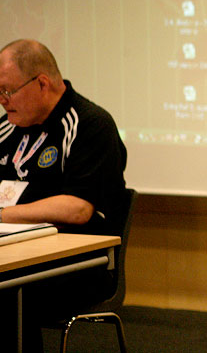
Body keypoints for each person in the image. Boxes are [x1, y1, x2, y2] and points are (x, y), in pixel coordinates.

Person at [0, 39, 128, 351]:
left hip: (79, 265)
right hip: (14, 250)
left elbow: (78, 208)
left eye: (8, 91)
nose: (3, 101)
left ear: (41, 83)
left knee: (7, 293)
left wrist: (3, 216)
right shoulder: (8, 127)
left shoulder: (90, 124)